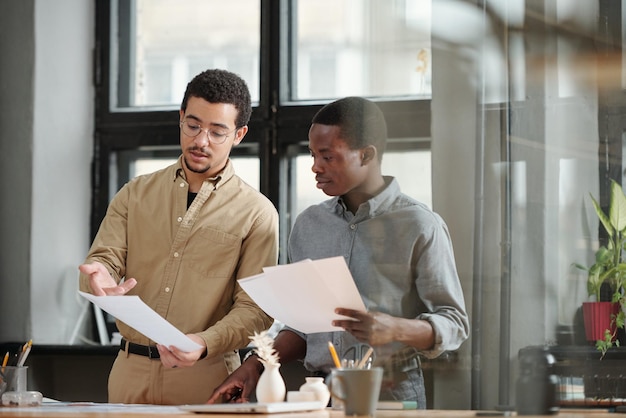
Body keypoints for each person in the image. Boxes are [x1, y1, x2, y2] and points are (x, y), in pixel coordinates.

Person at [207, 96, 469, 408]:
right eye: (313, 155)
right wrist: (255, 365)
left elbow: (454, 323)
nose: (315, 167)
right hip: (318, 397)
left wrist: (395, 327)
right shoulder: (309, 225)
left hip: (391, 394)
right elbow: (304, 328)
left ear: (366, 154)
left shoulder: (420, 225)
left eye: (328, 157)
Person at [78, 69, 278, 405]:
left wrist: (203, 342)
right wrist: (98, 278)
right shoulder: (134, 193)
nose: (201, 141)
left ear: (239, 134)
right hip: (129, 371)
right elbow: (102, 263)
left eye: (217, 132)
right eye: (194, 126)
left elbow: (256, 311)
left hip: (206, 375)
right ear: (181, 118)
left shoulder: (257, 212)